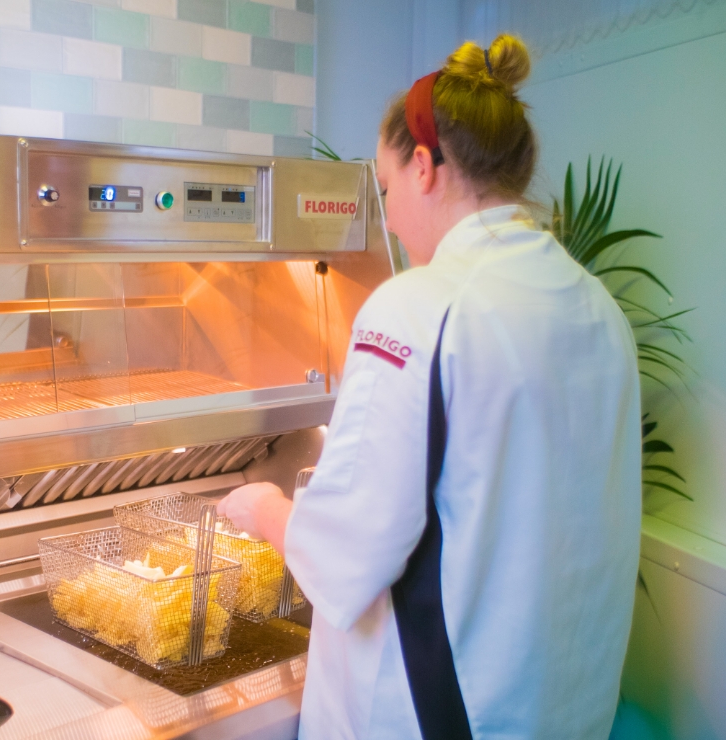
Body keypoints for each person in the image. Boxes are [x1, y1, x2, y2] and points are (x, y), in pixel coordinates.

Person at [218, 34, 641, 740]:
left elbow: (343, 553)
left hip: (439, 712)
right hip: (563, 705)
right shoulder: (595, 305)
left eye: (383, 191)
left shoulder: (418, 306)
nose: (384, 218)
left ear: (422, 167)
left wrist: (263, 507)